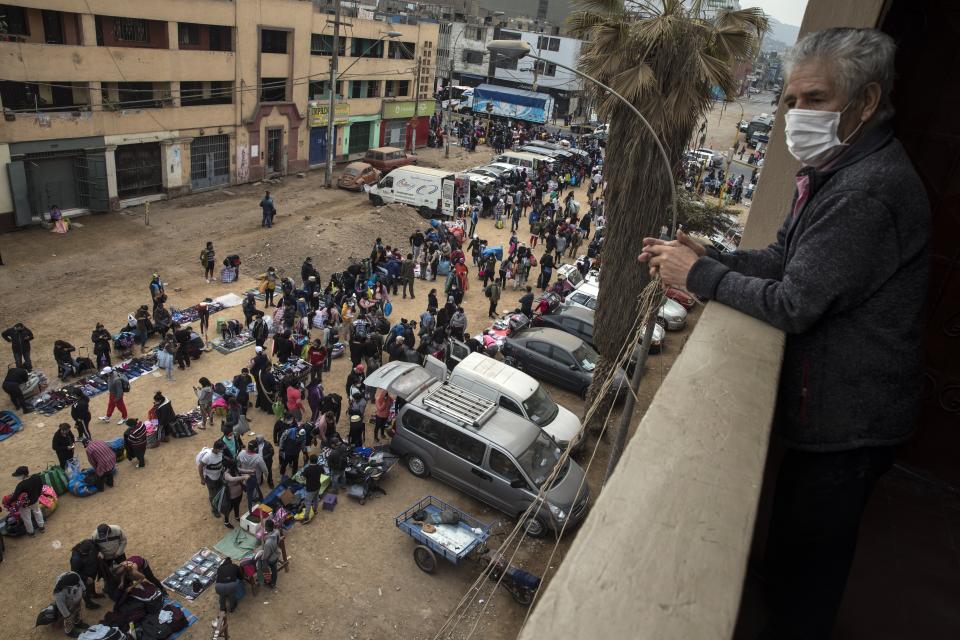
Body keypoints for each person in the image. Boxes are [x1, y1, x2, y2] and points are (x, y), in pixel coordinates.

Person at [639, 28, 930, 640]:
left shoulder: (866, 190)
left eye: (815, 100)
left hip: (849, 422)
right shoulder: (832, 170)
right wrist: (711, 256)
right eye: (791, 101)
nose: (797, 115)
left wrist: (703, 277)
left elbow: (796, 302)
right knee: (796, 544)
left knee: (809, 573)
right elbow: (783, 258)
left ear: (866, 101)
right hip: (825, 408)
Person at [69, 540, 104, 611]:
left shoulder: (88, 543)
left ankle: (93, 594)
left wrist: (99, 551)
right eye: (87, 553)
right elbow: (75, 572)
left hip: (92, 572)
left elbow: (95, 543)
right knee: (85, 589)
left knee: (92, 583)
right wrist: (86, 578)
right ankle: (88, 604)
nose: (89, 554)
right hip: (85, 576)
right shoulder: (76, 559)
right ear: (81, 551)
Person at [52, 571, 89, 637]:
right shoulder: (58, 592)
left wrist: (84, 590)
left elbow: (80, 582)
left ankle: (77, 622)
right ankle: (69, 631)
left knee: (77, 610)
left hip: (77, 597)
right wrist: (66, 615)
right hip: (67, 600)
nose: (77, 584)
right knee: (68, 618)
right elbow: (61, 605)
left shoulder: (75, 575)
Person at [11, 465, 45, 535]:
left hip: (25, 505)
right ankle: (41, 527)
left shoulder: (21, 485)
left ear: (23, 475)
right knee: (37, 512)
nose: (17, 477)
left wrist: (9, 501)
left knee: (27, 518)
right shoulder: (36, 477)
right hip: (35, 499)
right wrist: (37, 495)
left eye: (18, 475)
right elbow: (41, 486)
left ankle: (31, 532)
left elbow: (14, 497)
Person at [198, 441, 226, 517]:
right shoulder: (207, 457)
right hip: (210, 479)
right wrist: (202, 479)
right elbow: (200, 467)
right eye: (221, 449)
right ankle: (214, 510)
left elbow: (220, 463)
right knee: (213, 495)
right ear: (216, 449)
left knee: (220, 491)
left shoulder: (220, 453)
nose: (222, 450)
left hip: (219, 476)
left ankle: (219, 505)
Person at [221, 463, 251, 529]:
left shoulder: (235, 469)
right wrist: (244, 477)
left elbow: (242, 470)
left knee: (237, 505)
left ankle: (237, 517)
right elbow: (232, 479)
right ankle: (226, 522)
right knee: (228, 509)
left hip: (239, 493)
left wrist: (251, 471)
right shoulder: (226, 474)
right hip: (231, 496)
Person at [258, 519, 281, 588]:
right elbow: (278, 541)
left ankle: (268, 581)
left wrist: (261, 558)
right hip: (276, 553)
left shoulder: (268, 543)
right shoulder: (277, 532)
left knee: (262, 565)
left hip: (271, 559)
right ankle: (273, 582)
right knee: (274, 569)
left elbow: (265, 556)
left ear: (267, 528)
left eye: (265, 527)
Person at [301, 454, 323, 523]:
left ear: (310, 460)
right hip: (317, 486)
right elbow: (323, 472)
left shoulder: (307, 469)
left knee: (308, 503)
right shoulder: (320, 467)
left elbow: (303, 479)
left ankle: (306, 518)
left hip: (310, 489)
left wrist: (302, 476)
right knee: (316, 499)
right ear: (317, 460)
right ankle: (315, 510)